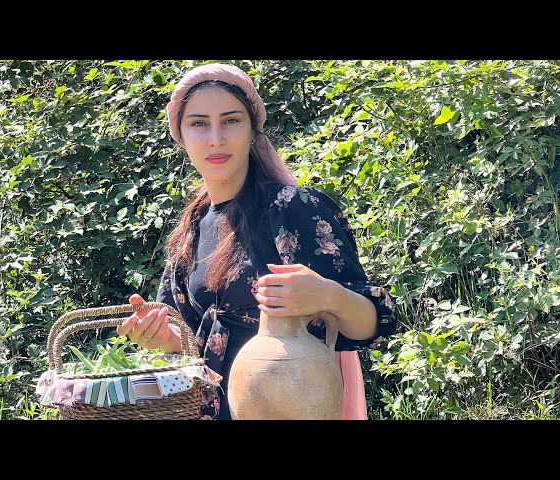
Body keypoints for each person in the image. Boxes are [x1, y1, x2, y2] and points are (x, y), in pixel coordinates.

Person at [117, 62, 397, 420]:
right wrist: (164, 337)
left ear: (252, 131)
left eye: (231, 120)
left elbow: (378, 321)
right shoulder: (192, 231)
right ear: (181, 136)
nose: (216, 138)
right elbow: (188, 346)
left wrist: (328, 295)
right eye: (199, 124)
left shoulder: (292, 209)